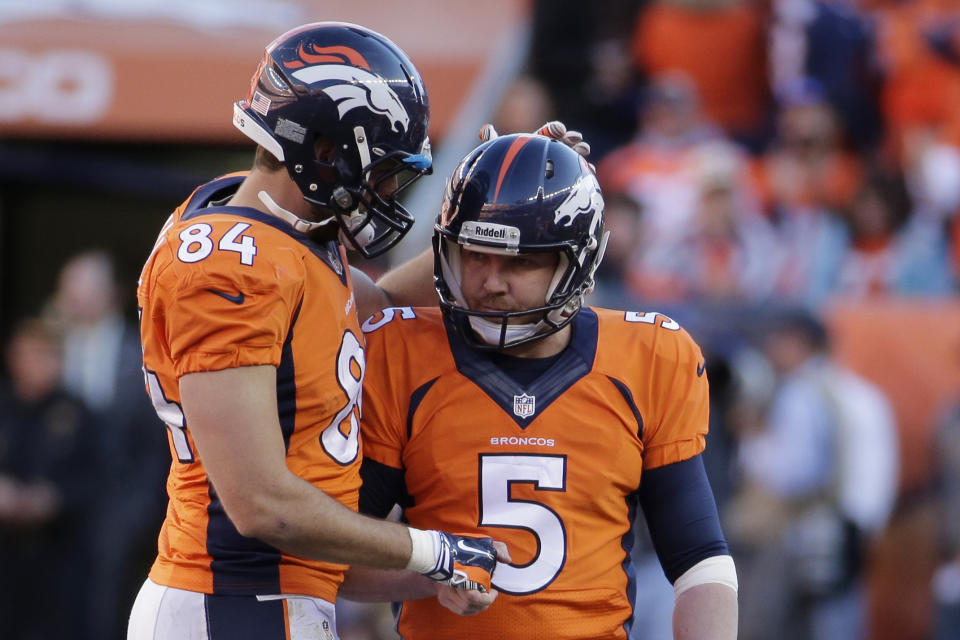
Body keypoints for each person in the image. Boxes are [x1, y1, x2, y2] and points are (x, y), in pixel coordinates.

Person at [130, 22, 505, 639]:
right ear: (324, 152)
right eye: (381, 171)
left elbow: (377, 301)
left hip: (270, 595)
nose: (387, 192)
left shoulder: (282, 235)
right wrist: (429, 551)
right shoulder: (234, 265)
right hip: (233, 600)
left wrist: (495, 212)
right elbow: (261, 504)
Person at [346, 133, 739, 639]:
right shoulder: (401, 351)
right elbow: (334, 554)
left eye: (521, 262)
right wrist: (431, 570)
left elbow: (700, 560)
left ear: (578, 263)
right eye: (475, 255)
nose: (489, 282)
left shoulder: (649, 357)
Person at [47, 250, 169, 640]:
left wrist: (139, 513)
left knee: (107, 613)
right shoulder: (50, 351)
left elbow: (156, 443)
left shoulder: (142, 354)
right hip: (60, 510)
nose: (72, 296)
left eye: (82, 286)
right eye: (68, 287)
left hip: (120, 512)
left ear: (111, 293)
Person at [0, 317, 101, 639]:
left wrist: (52, 500)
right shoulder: (5, 408)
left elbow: (97, 480)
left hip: (60, 558)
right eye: (30, 354)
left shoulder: (78, 412)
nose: (38, 363)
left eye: (47, 354)